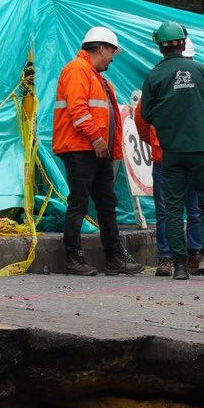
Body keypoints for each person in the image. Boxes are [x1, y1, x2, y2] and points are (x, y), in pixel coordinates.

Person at [137, 20, 204, 282]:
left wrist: (168, 122)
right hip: (201, 149)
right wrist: (198, 116)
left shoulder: (154, 76)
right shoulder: (201, 70)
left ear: (160, 46)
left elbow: (146, 113)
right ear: (184, 42)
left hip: (172, 152)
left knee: (173, 208)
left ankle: (178, 266)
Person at [53, 26, 142, 276]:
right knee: (79, 202)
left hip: (96, 150)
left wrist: (105, 145)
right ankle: (73, 258)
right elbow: (78, 111)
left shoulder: (97, 78)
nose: (113, 59)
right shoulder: (77, 70)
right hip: (81, 148)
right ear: (102, 49)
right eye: (112, 52)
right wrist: (96, 138)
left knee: (106, 203)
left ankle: (114, 258)